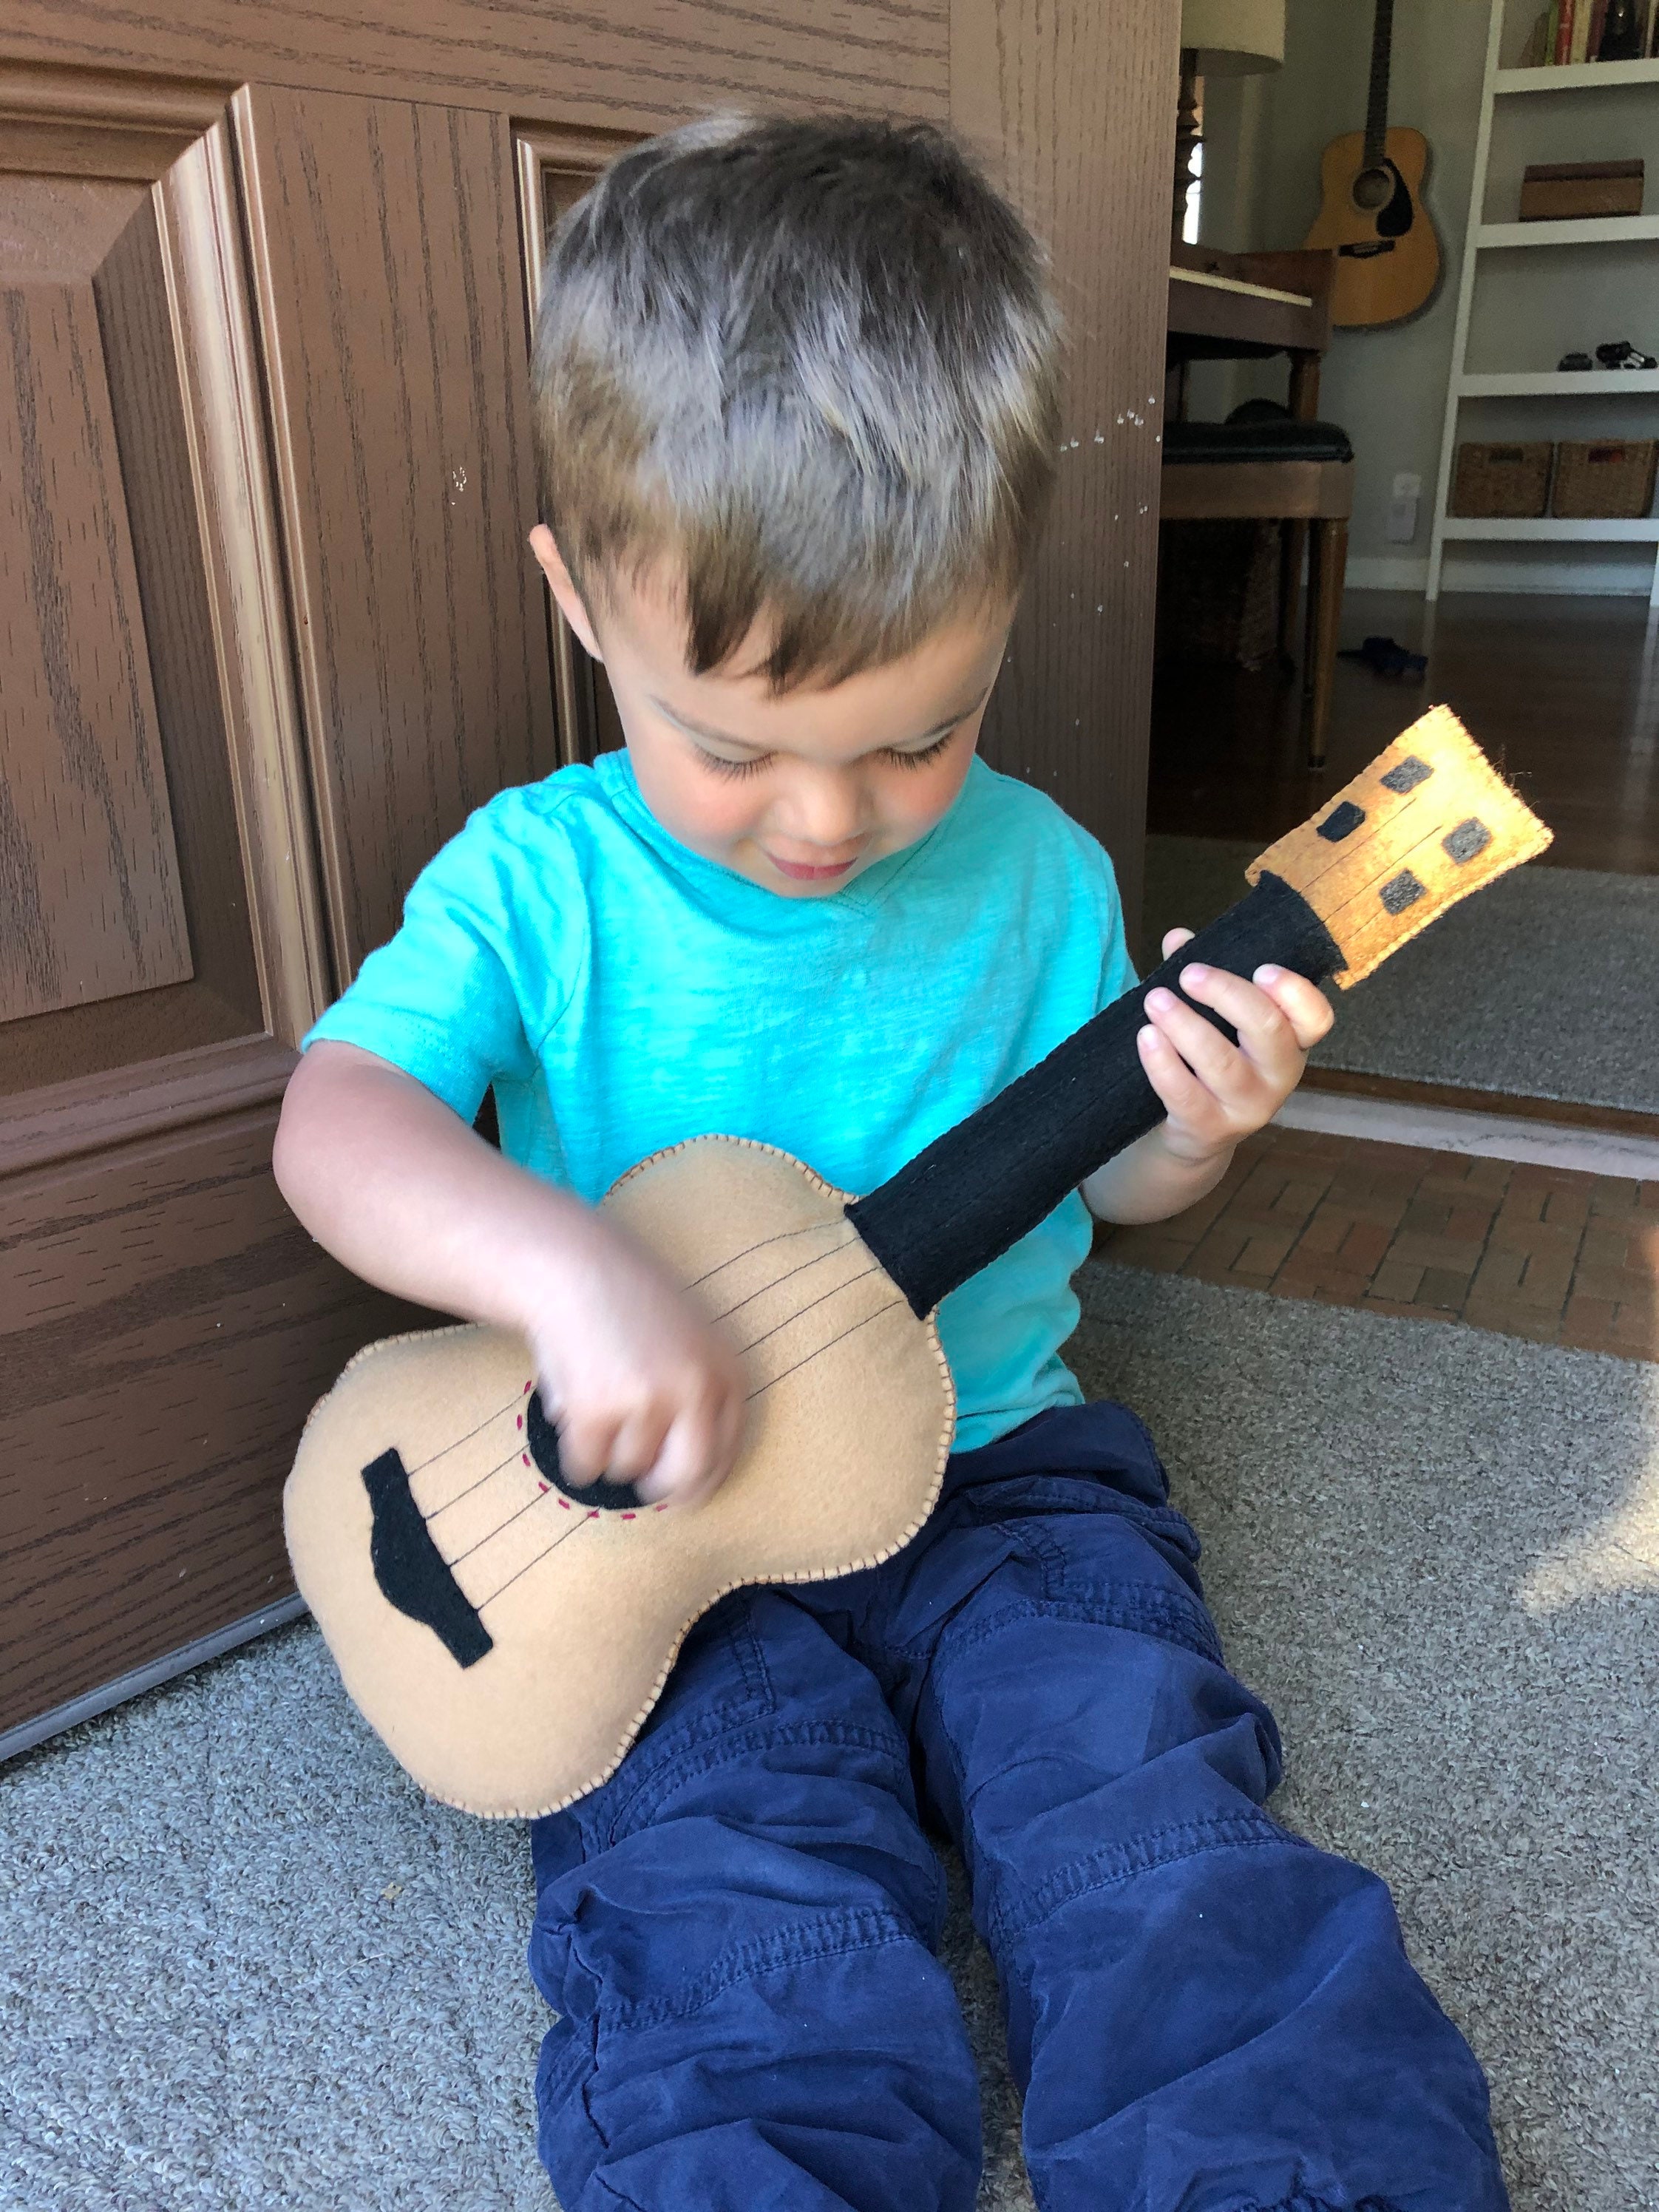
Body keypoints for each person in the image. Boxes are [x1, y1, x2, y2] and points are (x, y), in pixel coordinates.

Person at [272, 114, 1508, 2212]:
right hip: (660, 1538)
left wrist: (1190, 1131)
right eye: (734, 746)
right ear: (580, 595)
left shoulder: (1038, 879)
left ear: (1002, 609)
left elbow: (1104, 1194)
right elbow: (338, 1120)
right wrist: (565, 1275)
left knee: (1144, 1804)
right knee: (732, 1883)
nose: (826, 821)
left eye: (913, 736)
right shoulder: (538, 880)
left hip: (1001, 1464)